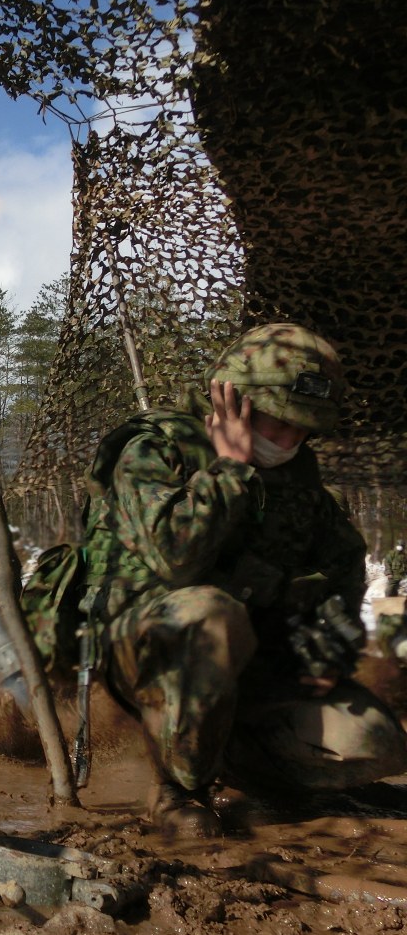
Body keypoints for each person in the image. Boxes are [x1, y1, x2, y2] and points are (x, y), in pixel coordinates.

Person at [72, 323, 407, 837]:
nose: (290, 439)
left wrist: (325, 649)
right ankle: (177, 792)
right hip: (146, 656)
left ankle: (236, 760)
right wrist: (229, 468)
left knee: (375, 741)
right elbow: (174, 557)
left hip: (246, 666)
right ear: (232, 397)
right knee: (209, 613)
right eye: (278, 422)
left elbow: (344, 569)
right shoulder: (154, 449)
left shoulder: (301, 480)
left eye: (303, 428)